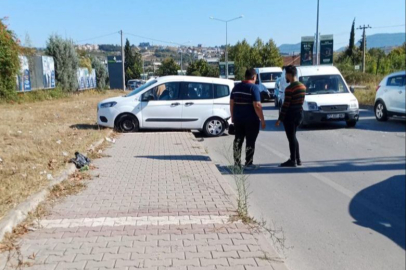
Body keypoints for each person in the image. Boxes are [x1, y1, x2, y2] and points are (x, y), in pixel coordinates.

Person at [230, 68, 266, 170]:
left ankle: (237, 163)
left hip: (238, 119)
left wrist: (233, 116)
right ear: (254, 77)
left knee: (238, 141)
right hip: (251, 120)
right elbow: (257, 105)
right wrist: (262, 120)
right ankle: (249, 163)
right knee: (250, 141)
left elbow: (232, 103)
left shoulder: (236, 87)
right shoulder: (253, 88)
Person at [275, 65, 306, 167]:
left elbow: (286, 105)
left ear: (289, 74)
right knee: (294, 136)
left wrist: (280, 119)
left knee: (291, 138)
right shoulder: (303, 87)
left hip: (290, 116)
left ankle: (292, 160)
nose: (286, 78)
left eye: (286, 75)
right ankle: (298, 159)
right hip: (299, 114)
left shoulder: (289, 89)